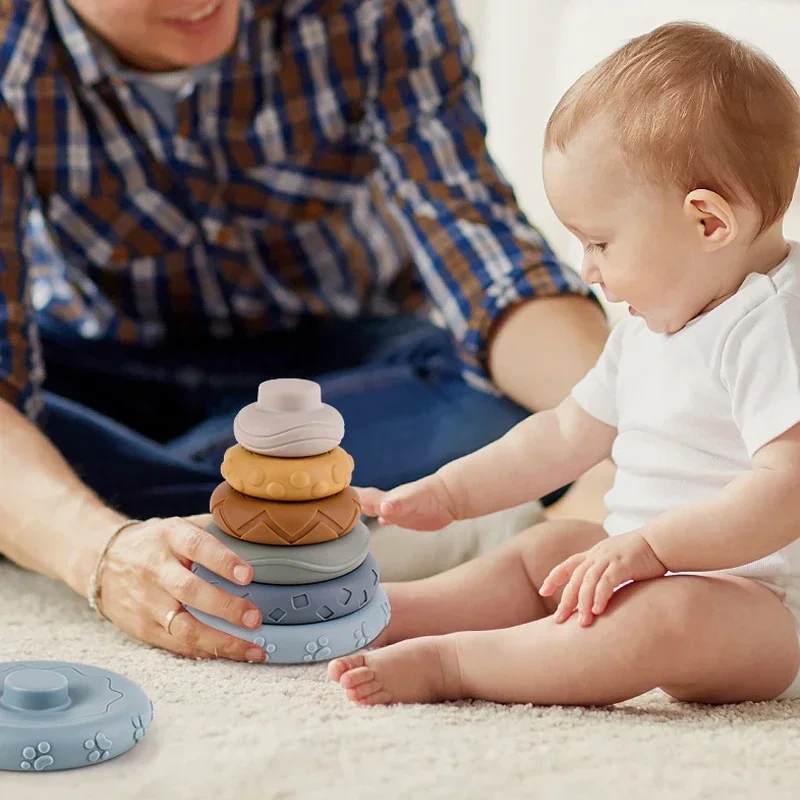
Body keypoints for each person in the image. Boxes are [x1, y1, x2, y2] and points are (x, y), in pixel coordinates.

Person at [0, 0, 608, 663]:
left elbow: (488, 264)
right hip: (92, 367)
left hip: (349, 366)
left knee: (511, 408)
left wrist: (620, 424)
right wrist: (99, 552)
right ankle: (316, 523)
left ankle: (189, 517)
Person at [328, 21, 800, 707]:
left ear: (707, 223)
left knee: (662, 620)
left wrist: (653, 551)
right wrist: (450, 495)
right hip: (638, 560)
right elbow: (561, 436)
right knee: (545, 554)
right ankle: (395, 610)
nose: (589, 270)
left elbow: (785, 490)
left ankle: (458, 665)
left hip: (762, 605)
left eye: (601, 242)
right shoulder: (652, 321)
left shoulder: (773, 325)